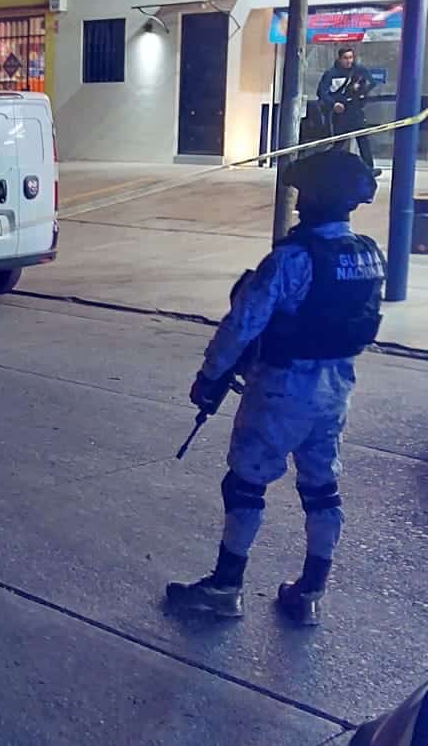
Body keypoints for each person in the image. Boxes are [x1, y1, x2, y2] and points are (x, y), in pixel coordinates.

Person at [167, 148, 384, 626]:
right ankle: (309, 591)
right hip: (336, 388)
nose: (299, 202)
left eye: (304, 193)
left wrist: (210, 376)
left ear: (315, 198)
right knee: (322, 488)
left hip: (281, 388)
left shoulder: (291, 259)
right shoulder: (369, 253)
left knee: (245, 484)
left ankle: (225, 588)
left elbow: (243, 323)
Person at [316, 47, 380, 176]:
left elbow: (371, 83)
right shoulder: (331, 74)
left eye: (350, 57)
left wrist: (360, 93)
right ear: (339, 59)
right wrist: (333, 104)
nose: (348, 61)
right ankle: (325, 166)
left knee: (363, 139)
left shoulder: (359, 70)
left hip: (355, 110)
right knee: (339, 141)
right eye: (345, 58)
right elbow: (322, 92)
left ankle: (369, 168)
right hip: (340, 112)